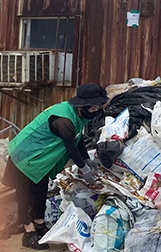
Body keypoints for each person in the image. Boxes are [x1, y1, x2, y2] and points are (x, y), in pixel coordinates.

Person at [3, 83, 108, 250]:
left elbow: (78, 137)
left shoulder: (78, 116)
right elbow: (71, 147)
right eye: (94, 107)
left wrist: (87, 159)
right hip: (26, 157)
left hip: (40, 160)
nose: (95, 110)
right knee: (26, 196)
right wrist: (84, 168)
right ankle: (28, 234)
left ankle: (39, 225)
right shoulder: (64, 120)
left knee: (40, 193)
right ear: (83, 105)